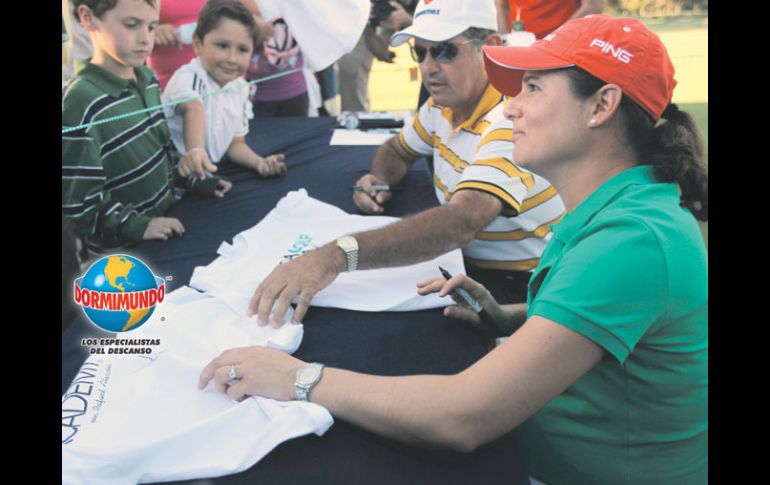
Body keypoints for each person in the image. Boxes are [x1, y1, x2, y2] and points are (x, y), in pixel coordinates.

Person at [198, 14, 708, 484]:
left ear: (601, 106)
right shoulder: (625, 209)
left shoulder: (634, 240)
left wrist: (297, 378)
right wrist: (510, 318)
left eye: (532, 88)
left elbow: (463, 417)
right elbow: (620, 320)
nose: (512, 106)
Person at [249, 0, 565, 327]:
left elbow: (461, 222)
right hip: (467, 267)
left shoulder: (509, 119)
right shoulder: (443, 106)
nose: (428, 67)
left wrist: (336, 256)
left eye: (444, 51)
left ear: (491, 48)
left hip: (520, 288)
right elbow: (397, 150)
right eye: (420, 52)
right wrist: (378, 177)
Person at [62, 0, 231, 255]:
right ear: (87, 18)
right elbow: (80, 208)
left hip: (168, 226)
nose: (145, 39)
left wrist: (194, 180)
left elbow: (163, 152)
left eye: (152, 27)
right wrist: (139, 226)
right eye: (132, 25)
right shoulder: (79, 101)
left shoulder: (148, 78)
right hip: (123, 255)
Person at [162, 0, 287, 180]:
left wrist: (260, 163)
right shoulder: (189, 77)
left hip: (207, 174)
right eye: (222, 46)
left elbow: (235, 144)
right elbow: (193, 109)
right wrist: (196, 152)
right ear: (198, 44)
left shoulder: (240, 88)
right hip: (177, 179)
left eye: (242, 49)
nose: (232, 59)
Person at [494, 0, 605, 40]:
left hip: (562, 48)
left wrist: (554, 40)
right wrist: (505, 40)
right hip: (517, 45)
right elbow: (501, 6)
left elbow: (593, 6)